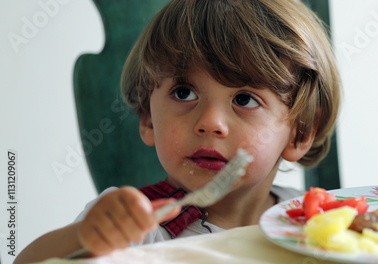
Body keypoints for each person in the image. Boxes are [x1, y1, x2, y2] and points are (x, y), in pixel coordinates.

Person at [15, 0, 341, 262]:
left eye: (245, 99)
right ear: (148, 120)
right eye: (184, 93)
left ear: (301, 133)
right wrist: (86, 237)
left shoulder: (311, 219)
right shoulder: (135, 225)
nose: (211, 122)